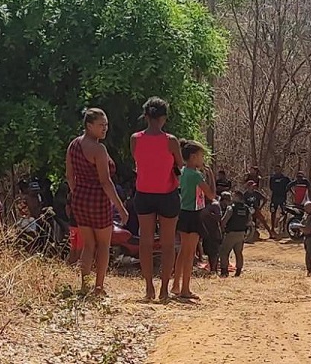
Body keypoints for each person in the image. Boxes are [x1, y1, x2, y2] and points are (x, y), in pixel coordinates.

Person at [66, 108, 128, 295]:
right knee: (103, 245)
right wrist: (121, 208)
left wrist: (77, 193)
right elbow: (105, 181)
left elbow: (69, 176)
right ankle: (99, 287)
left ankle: (85, 285)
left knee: (88, 245)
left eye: (106, 125)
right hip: (99, 201)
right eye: (101, 125)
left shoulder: (73, 145)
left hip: (80, 199)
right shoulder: (98, 149)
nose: (105, 128)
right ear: (89, 125)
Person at [131, 97, 183, 302]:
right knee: (168, 243)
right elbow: (180, 165)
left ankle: (148, 288)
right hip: (167, 193)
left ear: (145, 116)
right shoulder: (171, 141)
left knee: (145, 242)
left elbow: (137, 160)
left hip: (143, 193)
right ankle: (164, 290)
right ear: (164, 118)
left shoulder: (135, 138)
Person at [172, 140, 215, 299]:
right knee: (190, 254)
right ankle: (185, 289)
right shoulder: (196, 175)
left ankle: (176, 285)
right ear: (193, 157)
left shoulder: (183, 171)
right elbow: (211, 194)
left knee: (183, 251)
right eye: (201, 156)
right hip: (193, 214)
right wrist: (210, 175)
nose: (202, 159)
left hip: (183, 212)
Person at [220, 190, 250, 277]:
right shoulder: (246, 208)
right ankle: (238, 271)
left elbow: (224, 221)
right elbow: (249, 222)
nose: (231, 198)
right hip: (241, 233)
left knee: (224, 252)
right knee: (239, 252)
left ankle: (224, 271)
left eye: (233, 196)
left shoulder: (231, 208)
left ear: (237, 197)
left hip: (231, 233)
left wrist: (221, 229)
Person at [269, 165, 290, 235]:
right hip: (274, 198)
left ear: (281, 170)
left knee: (284, 212)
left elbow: (289, 185)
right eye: (276, 169)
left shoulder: (285, 178)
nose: (277, 171)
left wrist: (284, 191)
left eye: (278, 169)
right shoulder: (272, 178)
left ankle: (283, 227)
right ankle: (272, 228)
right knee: (273, 212)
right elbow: (271, 187)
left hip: (282, 198)